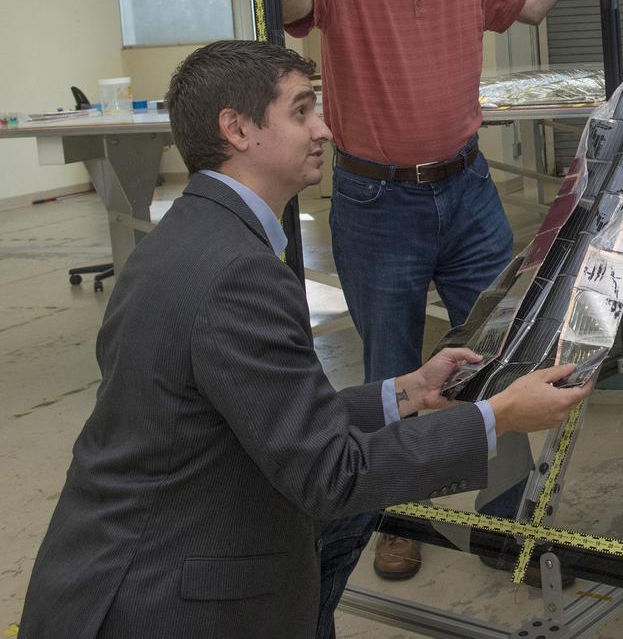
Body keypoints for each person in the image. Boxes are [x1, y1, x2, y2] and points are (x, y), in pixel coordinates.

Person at [18, 39, 591, 639]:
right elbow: (331, 475)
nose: (323, 129)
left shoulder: (186, 236)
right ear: (236, 129)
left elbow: (251, 413)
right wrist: (498, 415)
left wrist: (407, 392)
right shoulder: (239, 272)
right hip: (166, 598)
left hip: (109, 571)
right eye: (301, 111)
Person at [226, 0, 618, 594]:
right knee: (396, 373)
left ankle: (503, 519)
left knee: (499, 352)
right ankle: (395, 521)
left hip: (467, 188)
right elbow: (289, 0)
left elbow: (529, 7)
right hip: (378, 201)